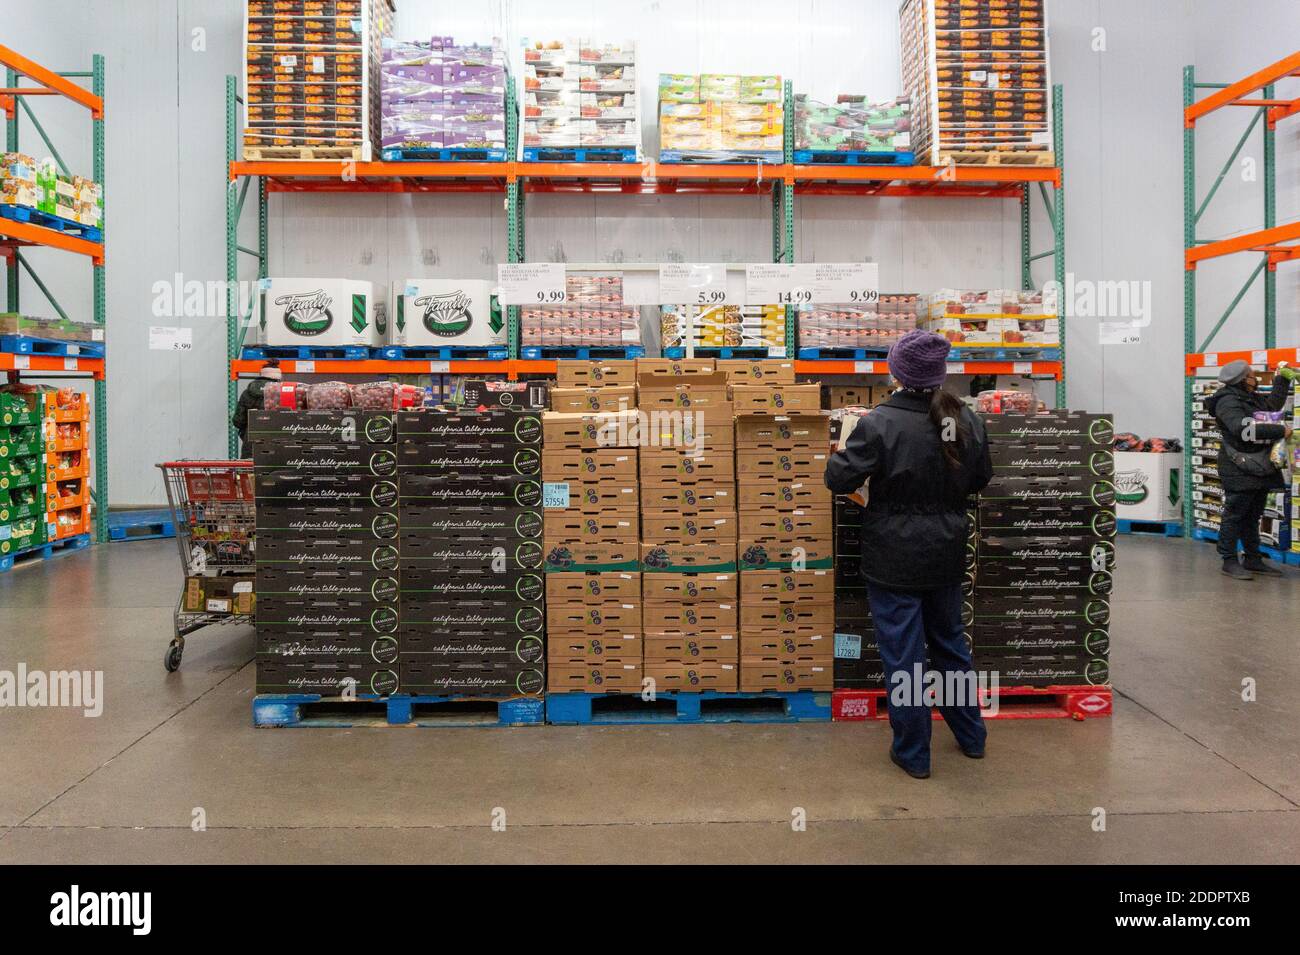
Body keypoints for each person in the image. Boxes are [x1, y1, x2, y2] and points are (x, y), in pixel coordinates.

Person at [825, 329, 993, 779]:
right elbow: (980, 478)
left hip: (894, 554)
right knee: (950, 644)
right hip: (946, 550)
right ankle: (972, 737)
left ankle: (914, 753)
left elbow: (838, 479)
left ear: (896, 372)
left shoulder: (878, 423)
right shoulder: (965, 420)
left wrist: (842, 453)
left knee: (905, 656)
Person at [1205, 359, 1293, 580]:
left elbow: (1272, 406)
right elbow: (1240, 428)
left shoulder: (1249, 397)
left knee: (1253, 514)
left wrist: (1282, 378)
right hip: (1238, 466)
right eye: (1253, 375)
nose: (1255, 378)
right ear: (1244, 379)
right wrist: (1279, 431)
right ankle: (1229, 560)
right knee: (1235, 514)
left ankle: (1253, 559)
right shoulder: (1227, 401)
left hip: (1258, 464)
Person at [231, 360, 281, 458]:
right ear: (277, 377)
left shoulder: (247, 393)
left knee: (249, 471)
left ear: (261, 375)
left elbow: (238, 421)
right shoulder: (282, 393)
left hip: (250, 444)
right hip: (276, 445)